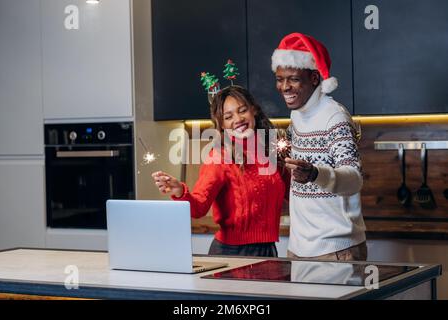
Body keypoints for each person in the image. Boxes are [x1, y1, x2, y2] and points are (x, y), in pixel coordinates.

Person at [152, 85, 289, 257]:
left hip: (268, 250)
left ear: (253, 110)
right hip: (232, 253)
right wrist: (180, 192)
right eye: (228, 116)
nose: (238, 119)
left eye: (242, 110)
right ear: (222, 124)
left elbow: (293, 194)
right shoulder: (219, 157)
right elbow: (198, 208)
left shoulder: (271, 151)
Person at [271, 32, 367, 261]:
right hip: (298, 248)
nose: (284, 87)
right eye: (279, 78)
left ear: (314, 78)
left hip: (335, 249)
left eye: (293, 78)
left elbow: (354, 178)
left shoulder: (334, 118)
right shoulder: (297, 115)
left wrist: (314, 173)